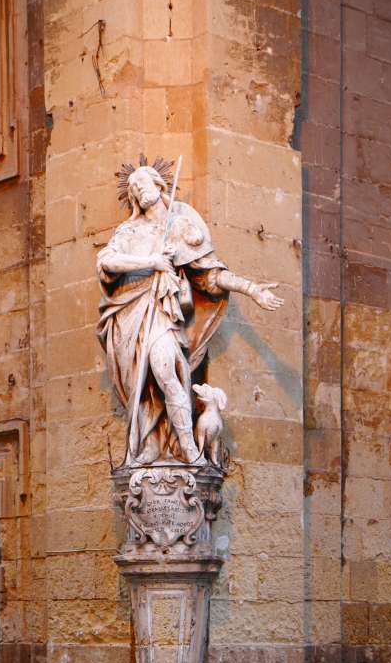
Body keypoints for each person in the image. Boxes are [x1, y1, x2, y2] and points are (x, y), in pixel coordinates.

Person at [97, 163, 283, 465]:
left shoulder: (180, 227)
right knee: (141, 387)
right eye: (133, 188)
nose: (138, 190)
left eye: (143, 183)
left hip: (161, 315)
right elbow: (105, 262)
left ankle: (189, 450)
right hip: (127, 318)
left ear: (159, 185)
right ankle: (150, 444)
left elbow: (209, 276)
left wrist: (251, 289)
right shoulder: (129, 231)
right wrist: (153, 261)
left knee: (166, 371)